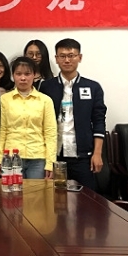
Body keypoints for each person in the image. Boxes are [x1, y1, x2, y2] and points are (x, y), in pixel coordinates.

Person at [40, 38, 107, 190]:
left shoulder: (93, 87)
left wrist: (97, 153)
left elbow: (98, 121)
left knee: (86, 199)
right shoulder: (46, 87)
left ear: (79, 57)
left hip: (82, 156)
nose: (67, 60)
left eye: (71, 55)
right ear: (56, 58)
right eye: (62, 56)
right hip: (54, 156)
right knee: (55, 198)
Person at [0, 57, 57, 179]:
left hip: (37, 158)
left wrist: (50, 163)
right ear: (13, 75)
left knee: (35, 191)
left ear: (34, 75)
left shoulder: (45, 101)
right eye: (18, 74)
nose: (23, 78)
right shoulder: (4, 100)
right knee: (12, 191)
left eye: (27, 74)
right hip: (11, 157)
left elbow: (50, 133)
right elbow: (2, 131)